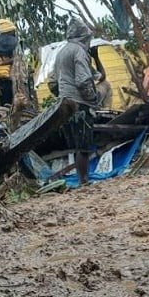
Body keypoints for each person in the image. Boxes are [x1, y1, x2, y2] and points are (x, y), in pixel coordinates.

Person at [51, 18, 100, 185]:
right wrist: (92, 98)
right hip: (80, 103)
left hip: (65, 103)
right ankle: (84, 181)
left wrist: (63, 95)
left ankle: (82, 179)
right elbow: (83, 80)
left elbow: (52, 82)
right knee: (83, 146)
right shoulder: (79, 51)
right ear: (84, 36)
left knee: (76, 145)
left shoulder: (61, 52)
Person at [0, 19, 19, 106]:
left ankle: (5, 118)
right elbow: (18, 59)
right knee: (18, 102)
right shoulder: (14, 41)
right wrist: (6, 62)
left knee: (3, 103)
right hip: (13, 77)